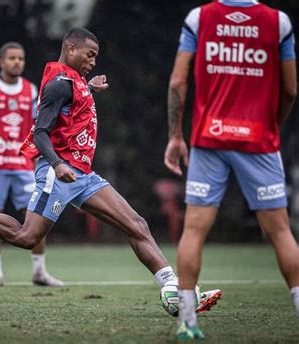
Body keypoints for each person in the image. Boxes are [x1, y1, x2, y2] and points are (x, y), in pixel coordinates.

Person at [0, 27, 221, 313]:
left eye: (95, 57)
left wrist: (89, 86)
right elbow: (40, 132)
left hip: (83, 175)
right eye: (89, 55)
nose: (93, 61)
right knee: (26, 236)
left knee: (136, 225)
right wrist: (57, 164)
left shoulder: (72, 81)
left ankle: (176, 289)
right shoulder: (58, 85)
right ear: (70, 48)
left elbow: (69, 103)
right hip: (58, 170)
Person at [164, 0, 299, 340]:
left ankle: (188, 322)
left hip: (210, 139)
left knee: (193, 229)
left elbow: (178, 83)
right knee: (281, 232)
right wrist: (272, 128)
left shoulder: (199, 17)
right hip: (259, 140)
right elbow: (291, 89)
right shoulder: (278, 22)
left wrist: (175, 136)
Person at [0, 42, 63, 287]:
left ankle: (39, 272)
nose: (17, 62)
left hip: (24, 165)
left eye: (21, 58)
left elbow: (41, 126)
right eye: (12, 58)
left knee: (35, 216)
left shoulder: (30, 90)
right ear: (1, 61)